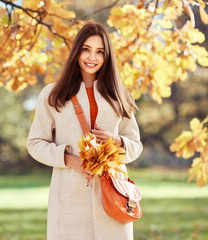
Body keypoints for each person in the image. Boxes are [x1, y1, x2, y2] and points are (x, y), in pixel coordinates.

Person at [27, 22, 143, 240]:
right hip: (69, 199)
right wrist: (70, 160)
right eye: (86, 49)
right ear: (77, 51)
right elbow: (35, 143)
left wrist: (117, 141)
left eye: (100, 51)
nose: (92, 57)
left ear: (107, 56)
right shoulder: (53, 94)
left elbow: (136, 146)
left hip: (114, 196)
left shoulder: (120, 95)